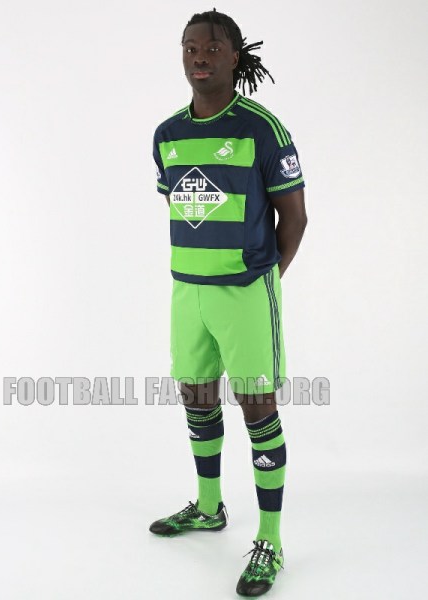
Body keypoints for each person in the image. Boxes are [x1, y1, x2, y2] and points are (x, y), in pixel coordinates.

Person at [149, 8, 307, 597]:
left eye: (213, 47)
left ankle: (270, 540)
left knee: (257, 408)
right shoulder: (167, 134)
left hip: (244, 293)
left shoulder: (263, 129)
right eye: (190, 46)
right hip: (186, 289)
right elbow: (184, 206)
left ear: (236, 57)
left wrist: (262, 280)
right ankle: (209, 507)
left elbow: (295, 218)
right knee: (195, 396)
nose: (200, 56)